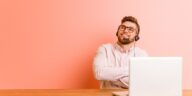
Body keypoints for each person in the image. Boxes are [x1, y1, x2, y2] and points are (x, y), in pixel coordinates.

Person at [93, 16, 148, 89]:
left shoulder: (141, 54)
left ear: (136, 35)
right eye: (122, 27)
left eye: (130, 29)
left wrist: (110, 75)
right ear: (117, 31)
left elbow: (142, 82)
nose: (125, 31)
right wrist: (131, 70)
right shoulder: (104, 49)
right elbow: (99, 73)